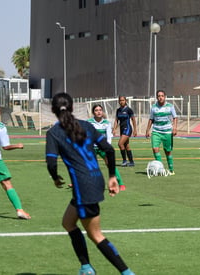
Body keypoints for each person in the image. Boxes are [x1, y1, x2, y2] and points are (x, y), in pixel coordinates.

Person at [46, 93, 134, 275]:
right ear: (71, 108)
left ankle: (126, 272)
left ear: (53, 110)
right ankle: (86, 267)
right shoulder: (87, 125)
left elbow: (51, 163)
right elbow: (109, 150)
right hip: (95, 179)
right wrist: (111, 177)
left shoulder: (54, 132)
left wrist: (55, 177)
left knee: (96, 235)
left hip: (83, 187)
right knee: (68, 222)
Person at [88, 104, 126, 191]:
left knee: (110, 164)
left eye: (100, 110)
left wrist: (107, 147)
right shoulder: (89, 122)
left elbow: (109, 136)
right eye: (96, 110)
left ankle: (120, 183)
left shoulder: (107, 123)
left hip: (102, 147)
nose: (98, 112)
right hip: (91, 148)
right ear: (93, 112)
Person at [145, 90, 178, 175]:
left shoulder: (170, 106)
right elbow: (151, 119)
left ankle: (171, 170)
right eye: (159, 96)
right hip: (156, 131)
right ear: (157, 97)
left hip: (167, 132)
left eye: (162, 96)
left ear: (165, 97)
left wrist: (174, 128)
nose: (160, 97)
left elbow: (175, 117)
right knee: (155, 148)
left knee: (168, 151)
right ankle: (160, 169)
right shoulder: (153, 107)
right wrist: (147, 130)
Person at [113, 96, 137, 167]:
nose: (121, 102)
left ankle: (124, 161)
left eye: (123, 100)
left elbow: (133, 120)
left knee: (120, 144)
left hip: (128, 128)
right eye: (120, 100)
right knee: (126, 146)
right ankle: (131, 162)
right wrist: (114, 129)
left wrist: (135, 130)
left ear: (125, 101)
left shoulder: (129, 110)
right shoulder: (118, 110)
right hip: (122, 129)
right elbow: (116, 120)